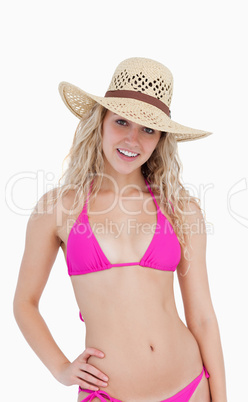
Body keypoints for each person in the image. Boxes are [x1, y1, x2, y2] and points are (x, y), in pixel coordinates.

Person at [13, 57, 227, 402]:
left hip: (188, 385)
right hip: (107, 393)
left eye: (148, 129)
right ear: (100, 122)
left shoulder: (181, 209)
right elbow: (24, 302)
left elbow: (202, 317)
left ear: (160, 139)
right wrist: (60, 368)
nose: (132, 139)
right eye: (122, 121)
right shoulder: (57, 208)